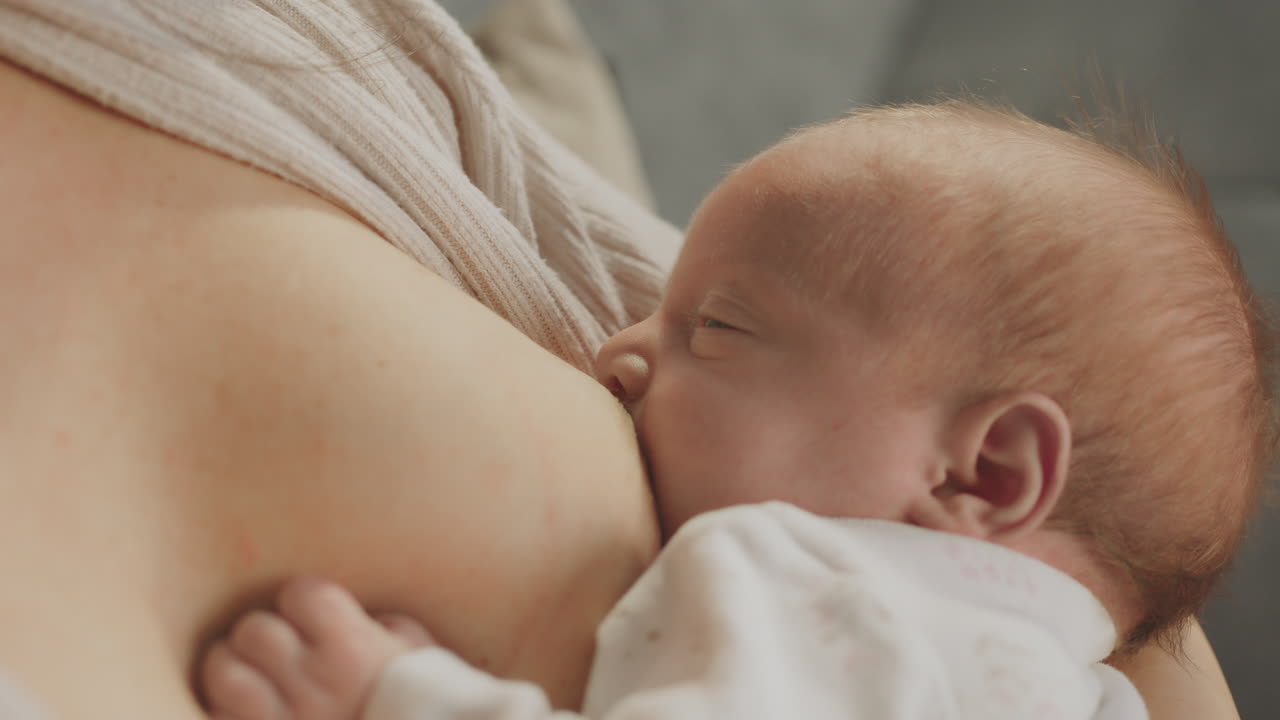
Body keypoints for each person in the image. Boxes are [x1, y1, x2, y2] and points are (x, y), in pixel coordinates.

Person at [0, 0, 1251, 718]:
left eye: (712, 326)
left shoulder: (843, 606)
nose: (621, 349)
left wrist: (400, 696)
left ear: (985, 474)